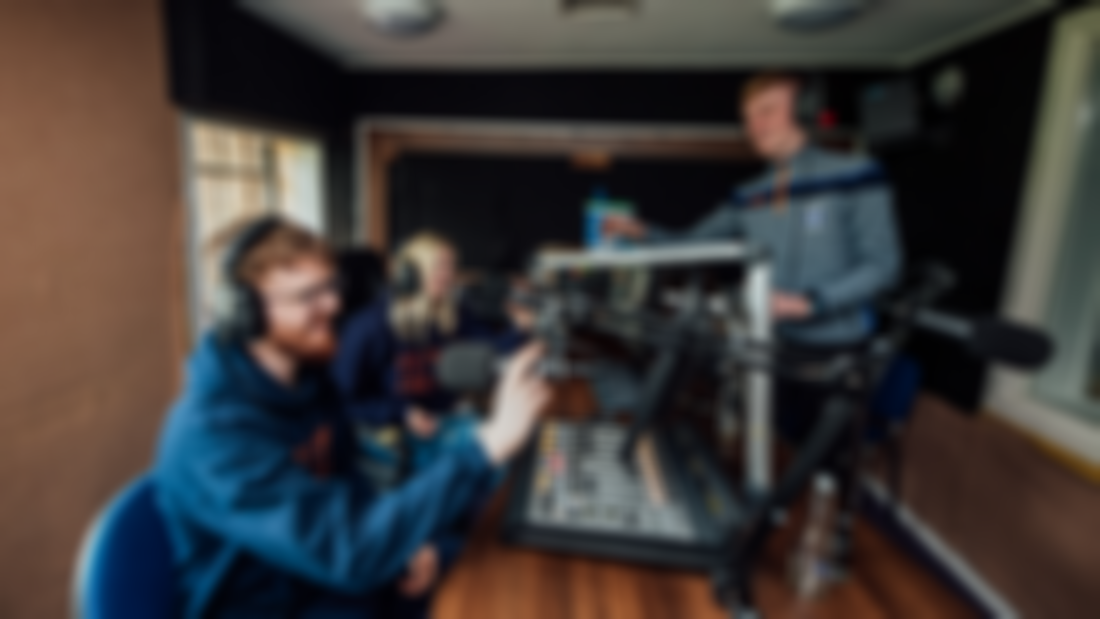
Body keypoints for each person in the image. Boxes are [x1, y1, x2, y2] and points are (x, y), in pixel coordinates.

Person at [154, 217, 549, 619]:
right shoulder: (211, 436)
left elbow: (349, 490)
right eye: (310, 295)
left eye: (331, 287)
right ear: (242, 312)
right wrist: (487, 446)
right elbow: (351, 552)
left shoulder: (311, 384)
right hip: (279, 605)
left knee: (495, 575)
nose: (334, 305)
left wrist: (404, 544)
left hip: (331, 581)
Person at [604, 71, 903, 440]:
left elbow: (884, 266)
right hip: (772, 348)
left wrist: (812, 303)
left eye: (767, 111)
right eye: (748, 118)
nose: (754, 126)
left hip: (837, 354)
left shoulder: (857, 173)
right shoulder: (748, 195)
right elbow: (693, 243)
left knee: (823, 466)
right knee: (773, 449)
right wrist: (643, 232)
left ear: (804, 111)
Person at [333, 232, 529, 489]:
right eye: (439, 266)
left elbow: (490, 350)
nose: (449, 275)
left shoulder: (453, 312)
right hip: (392, 432)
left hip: (443, 422)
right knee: (497, 465)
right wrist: (402, 413)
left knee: (516, 450)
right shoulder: (369, 326)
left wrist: (522, 328)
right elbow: (340, 401)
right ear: (409, 274)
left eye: (451, 266)